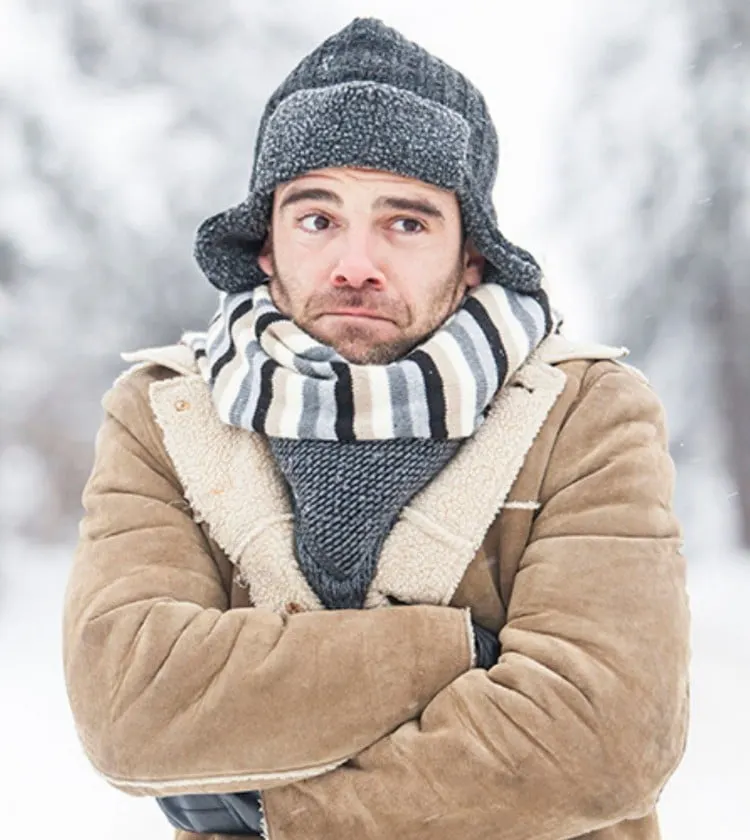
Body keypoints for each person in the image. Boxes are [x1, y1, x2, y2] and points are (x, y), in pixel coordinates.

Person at [63, 17, 690, 840]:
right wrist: (464, 651)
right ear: (266, 246)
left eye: (406, 222)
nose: (356, 263)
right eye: (318, 219)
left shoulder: (585, 412)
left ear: (472, 255)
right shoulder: (166, 414)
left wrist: (266, 806)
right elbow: (132, 707)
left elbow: (608, 735)